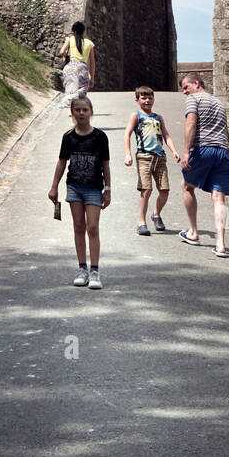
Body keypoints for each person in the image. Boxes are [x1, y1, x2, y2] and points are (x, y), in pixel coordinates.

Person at [48, 95, 110, 289]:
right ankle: (82, 268)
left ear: (91, 112)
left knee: (92, 227)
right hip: (74, 186)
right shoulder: (68, 137)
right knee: (78, 227)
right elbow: (61, 162)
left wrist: (108, 189)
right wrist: (54, 186)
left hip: (93, 187)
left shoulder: (100, 137)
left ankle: (95, 271)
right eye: (78, 110)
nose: (81, 113)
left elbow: (105, 165)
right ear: (72, 113)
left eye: (85, 110)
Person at [179, 72, 229, 257]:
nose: (185, 92)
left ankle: (193, 232)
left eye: (186, 87)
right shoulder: (219, 103)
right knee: (219, 198)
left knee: (186, 186)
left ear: (196, 83)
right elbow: (227, 133)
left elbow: (191, 123)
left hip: (204, 149)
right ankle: (221, 244)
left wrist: (187, 151)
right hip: (223, 151)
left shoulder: (194, 99)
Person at [123, 86, 182, 235]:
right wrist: (128, 154)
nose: (147, 101)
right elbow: (127, 134)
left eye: (150, 98)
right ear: (137, 100)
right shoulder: (136, 116)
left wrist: (174, 150)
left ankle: (156, 214)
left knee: (165, 190)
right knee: (146, 189)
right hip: (144, 156)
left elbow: (166, 136)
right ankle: (141, 222)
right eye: (143, 98)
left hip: (160, 157)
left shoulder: (158, 117)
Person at [59, 21, 95, 113]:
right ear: (83, 31)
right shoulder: (89, 43)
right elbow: (92, 62)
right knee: (81, 92)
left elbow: (62, 51)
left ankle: (71, 110)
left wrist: (66, 59)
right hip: (82, 68)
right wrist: (92, 77)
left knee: (70, 89)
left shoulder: (70, 39)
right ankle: (67, 100)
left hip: (69, 67)